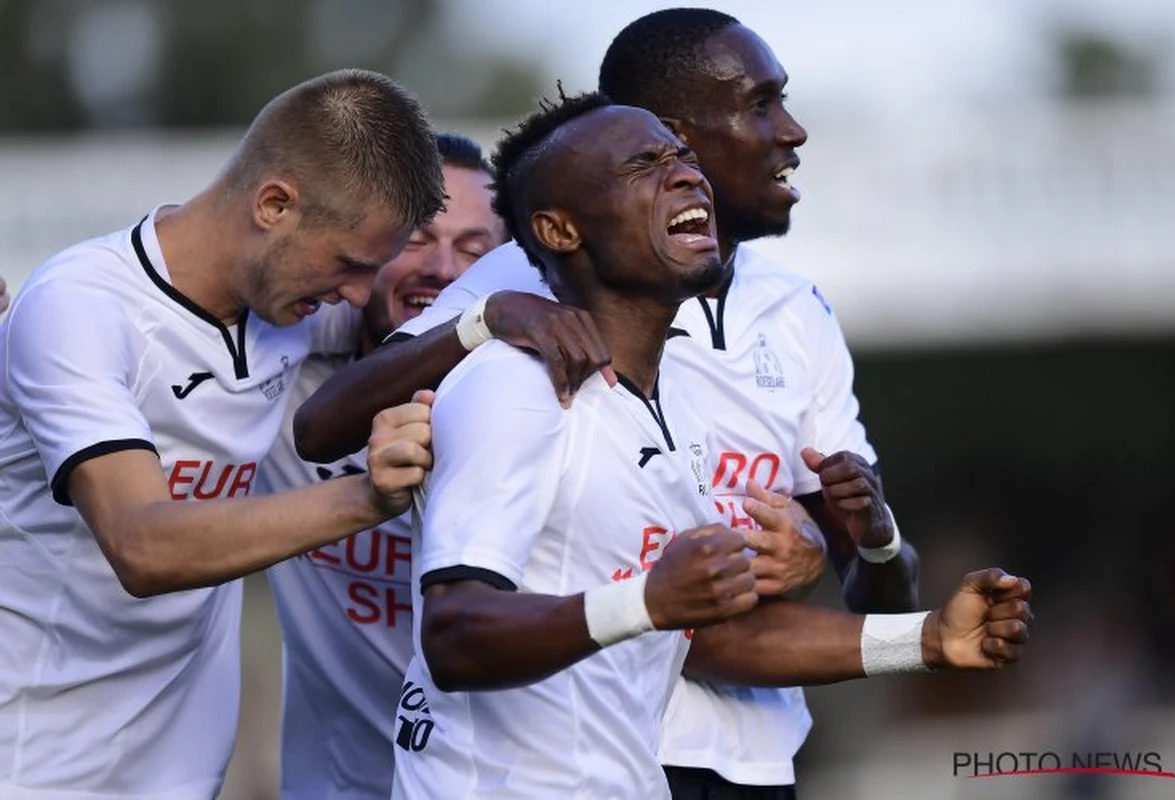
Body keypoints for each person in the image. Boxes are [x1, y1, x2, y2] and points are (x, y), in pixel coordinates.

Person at [295, 10, 917, 797]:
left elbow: (863, 581)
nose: (790, 131)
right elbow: (322, 429)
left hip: (752, 758)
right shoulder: (525, 285)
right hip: (591, 747)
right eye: (761, 105)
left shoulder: (797, 313)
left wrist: (864, 549)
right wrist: (485, 323)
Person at [391, 92, 1032, 799]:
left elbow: (711, 639)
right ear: (559, 229)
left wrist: (929, 639)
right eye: (644, 165)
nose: (687, 177)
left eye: (683, 158)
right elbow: (453, 634)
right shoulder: (513, 386)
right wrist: (648, 600)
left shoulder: (677, 410)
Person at [0, 69, 442, 799]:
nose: (358, 297)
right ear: (275, 204)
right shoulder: (78, 308)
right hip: (36, 767)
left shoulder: (288, 310)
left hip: (180, 775)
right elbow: (144, 545)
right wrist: (367, 498)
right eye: (348, 265)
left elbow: (420, 314)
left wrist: (496, 316)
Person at [257, 132, 506, 800]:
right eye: (417, 240)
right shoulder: (279, 377)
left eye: (476, 250)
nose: (446, 271)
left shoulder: (551, 405)